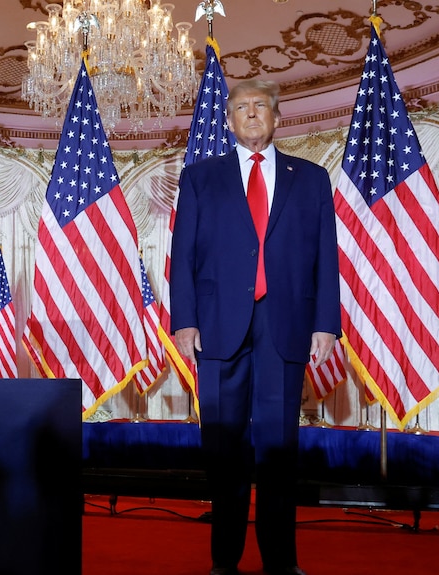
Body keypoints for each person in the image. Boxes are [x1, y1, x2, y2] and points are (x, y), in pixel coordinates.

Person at [170, 78, 341, 575]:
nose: (250, 114)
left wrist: (325, 323)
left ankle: (280, 563)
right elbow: (183, 255)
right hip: (219, 327)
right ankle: (224, 560)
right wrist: (185, 320)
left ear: (277, 117)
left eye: (260, 107)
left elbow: (325, 258)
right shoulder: (201, 178)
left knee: (277, 450)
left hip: (284, 326)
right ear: (228, 119)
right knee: (224, 450)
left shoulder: (310, 179)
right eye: (241, 107)